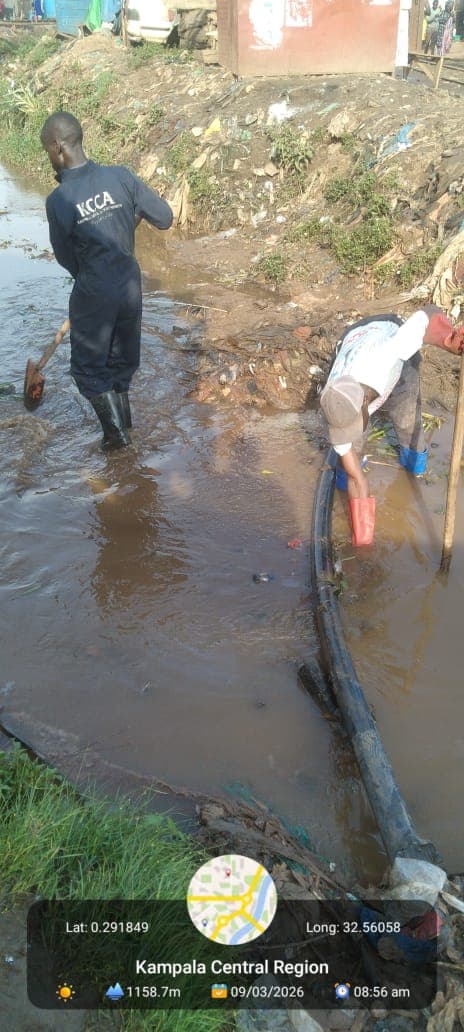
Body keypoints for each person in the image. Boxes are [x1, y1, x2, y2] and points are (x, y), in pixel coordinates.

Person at [40, 111, 173, 449]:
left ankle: (116, 441)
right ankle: (126, 430)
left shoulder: (59, 200)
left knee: (87, 370)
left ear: (58, 147)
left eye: (47, 151)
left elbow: (65, 257)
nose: (49, 158)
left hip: (94, 289)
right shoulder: (120, 177)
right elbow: (164, 216)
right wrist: (125, 222)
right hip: (129, 285)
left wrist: (91, 279)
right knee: (119, 365)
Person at [319, 307, 464, 546]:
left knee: (407, 420)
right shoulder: (335, 408)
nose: (346, 434)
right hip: (354, 343)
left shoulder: (394, 348)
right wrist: (363, 543)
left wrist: (453, 340)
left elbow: (428, 315)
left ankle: (415, 468)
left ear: (366, 403)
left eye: (354, 425)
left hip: (383, 331)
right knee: (351, 459)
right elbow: (359, 479)